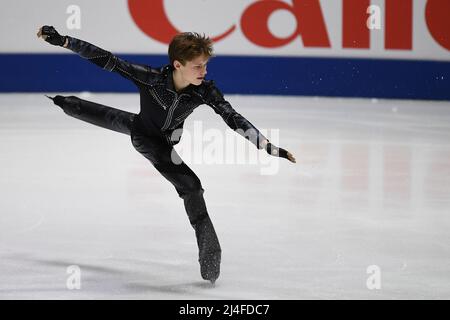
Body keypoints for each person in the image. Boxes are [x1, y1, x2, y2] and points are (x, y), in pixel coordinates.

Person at [37, 25, 296, 284]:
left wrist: (265, 145)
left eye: (205, 66)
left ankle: (70, 105)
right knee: (192, 187)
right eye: (197, 67)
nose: (204, 72)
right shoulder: (151, 79)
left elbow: (232, 116)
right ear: (177, 65)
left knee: (126, 121)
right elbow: (107, 60)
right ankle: (211, 254)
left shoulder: (204, 90)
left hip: (168, 135)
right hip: (148, 139)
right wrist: (65, 41)